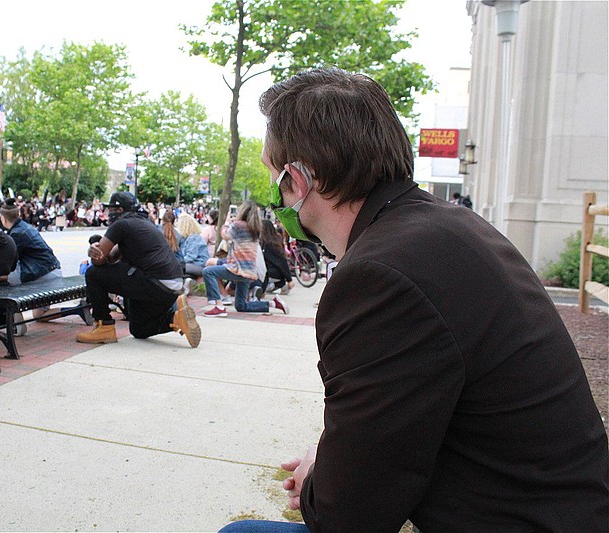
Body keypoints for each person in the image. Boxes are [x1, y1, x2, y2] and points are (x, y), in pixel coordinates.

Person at [221, 69, 609, 532]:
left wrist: (315, 482)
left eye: (274, 176)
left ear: (299, 180)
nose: (275, 197)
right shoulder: (450, 227)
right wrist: (334, 456)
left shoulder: (378, 276)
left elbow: (348, 516)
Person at [76, 192, 201, 348]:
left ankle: (104, 327)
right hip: (170, 287)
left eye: (111, 209)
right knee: (139, 330)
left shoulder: (121, 225)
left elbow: (99, 261)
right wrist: (101, 249)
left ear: (120, 210)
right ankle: (175, 319)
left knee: (93, 274)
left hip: (154, 283)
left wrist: (93, 251)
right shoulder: (144, 223)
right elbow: (113, 257)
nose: (109, 213)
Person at [201, 200, 288, 318]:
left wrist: (226, 222)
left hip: (237, 269)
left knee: (208, 271)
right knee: (241, 306)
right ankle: (273, 303)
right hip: (249, 271)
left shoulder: (238, 226)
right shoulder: (256, 228)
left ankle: (219, 306)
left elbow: (225, 235)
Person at [0, 197, 62, 321]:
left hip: (42, 275)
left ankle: (17, 324)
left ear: (3, 218)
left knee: (5, 279)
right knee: (39, 316)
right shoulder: (25, 227)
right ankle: (78, 310)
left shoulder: (16, 234)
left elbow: (7, 261)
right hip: (53, 271)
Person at [175, 213, 209, 295]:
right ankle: (188, 283)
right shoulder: (187, 238)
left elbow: (191, 257)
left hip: (199, 265)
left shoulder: (194, 238)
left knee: (178, 266)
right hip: (194, 265)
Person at [258, 219, 294, 296]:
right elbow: (282, 260)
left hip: (271, 273)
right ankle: (279, 284)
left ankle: (278, 284)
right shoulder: (276, 239)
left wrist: (289, 279)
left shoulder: (267, 244)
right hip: (277, 273)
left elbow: (281, 261)